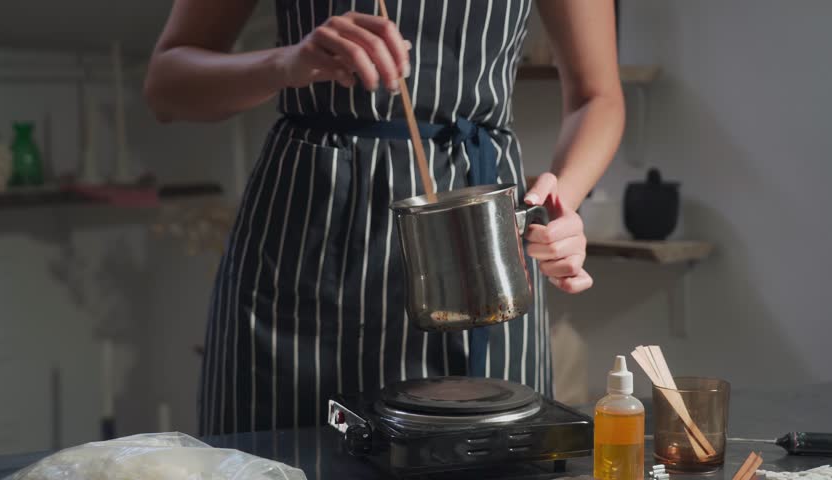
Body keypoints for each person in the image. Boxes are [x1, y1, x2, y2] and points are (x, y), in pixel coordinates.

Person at [145, 0, 624, 435]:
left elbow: (596, 95)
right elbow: (166, 85)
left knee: (487, 450)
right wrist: (286, 64)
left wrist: (560, 198)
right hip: (305, 235)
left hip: (481, 237)